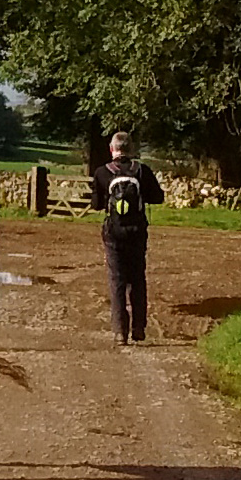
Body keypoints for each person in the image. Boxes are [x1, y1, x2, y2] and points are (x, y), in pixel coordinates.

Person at [91, 131, 165, 345]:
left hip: (113, 233)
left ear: (112, 149)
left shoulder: (102, 172)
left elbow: (95, 205)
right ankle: (139, 329)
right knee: (137, 279)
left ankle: (119, 332)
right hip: (137, 232)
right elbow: (158, 198)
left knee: (117, 280)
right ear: (131, 149)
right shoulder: (141, 170)